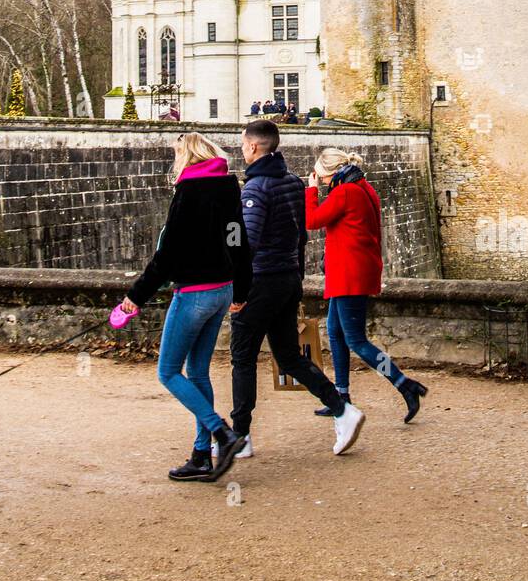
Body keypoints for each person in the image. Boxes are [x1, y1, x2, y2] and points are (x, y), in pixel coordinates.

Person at [226, 120, 366, 457]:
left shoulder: (255, 189)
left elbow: (248, 242)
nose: (242, 148)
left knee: (242, 356)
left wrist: (238, 292)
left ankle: (240, 436)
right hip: (287, 279)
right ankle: (342, 409)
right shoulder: (289, 181)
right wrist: (297, 276)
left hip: (262, 282)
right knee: (288, 357)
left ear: (255, 147)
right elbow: (301, 235)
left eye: (244, 143)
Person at [121, 132, 252, 482]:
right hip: (222, 290)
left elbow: (167, 257)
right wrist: (241, 289)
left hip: (194, 293)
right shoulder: (228, 189)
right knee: (197, 373)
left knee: (168, 372)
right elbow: (236, 239)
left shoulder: (188, 193)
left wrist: (135, 296)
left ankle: (222, 434)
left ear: (187, 158)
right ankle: (201, 454)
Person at [306, 148, 428, 422]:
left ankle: (403, 383)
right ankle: (341, 395)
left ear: (331, 173)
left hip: (350, 275)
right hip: (350, 272)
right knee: (336, 333)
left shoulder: (345, 192)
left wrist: (311, 191)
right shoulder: (361, 186)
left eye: (323, 178)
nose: (322, 182)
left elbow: (312, 221)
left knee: (357, 341)